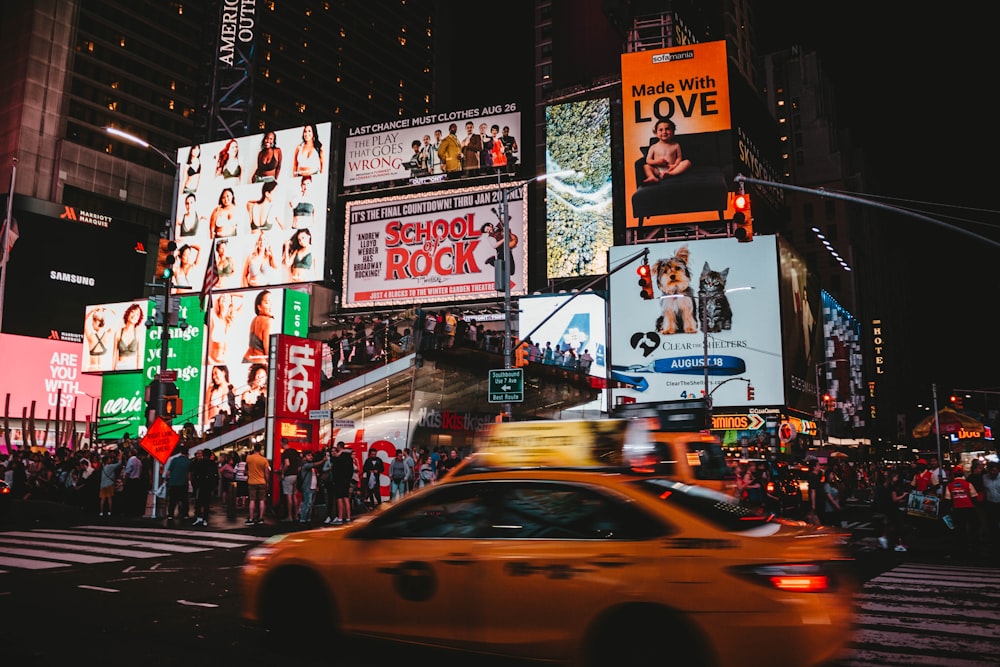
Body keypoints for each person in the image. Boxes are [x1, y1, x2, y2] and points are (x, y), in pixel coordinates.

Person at [642, 118, 692, 183]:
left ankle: (670, 174)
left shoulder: (676, 145)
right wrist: (656, 162)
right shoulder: (653, 147)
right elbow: (648, 160)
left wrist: (675, 165)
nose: (664, 132)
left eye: (667, 129)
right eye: (661, 130)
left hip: (671, 168)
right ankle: (652, 177)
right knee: (646, 166)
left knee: (687, 162)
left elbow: (679, 157)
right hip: (658, 169)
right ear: (656, 133)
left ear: (673, 132)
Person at [944, 465, 979, 555]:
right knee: (973, 528)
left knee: (960, 529)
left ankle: (962, 548)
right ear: (962, 473)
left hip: (957, 510)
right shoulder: (968, 484)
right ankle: (974, 547)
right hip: (969, 509)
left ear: (953, 475)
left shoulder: (950, 486)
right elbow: (974, 497)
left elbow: (947, 500)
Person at [207, 292, 241, 365]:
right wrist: (210, 361)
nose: (224, 298)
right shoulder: (213, 316)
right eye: (222, 296)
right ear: (218, 301)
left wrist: (232, 293)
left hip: (229, 361)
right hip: (212, 361)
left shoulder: (234, 317)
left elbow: (244, 296)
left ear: (231, 302)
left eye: (227, 296)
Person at [325, 442, 355, 524]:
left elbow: (335, 469)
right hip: (346, 480)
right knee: (346, 498)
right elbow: (351, 469)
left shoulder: (337, 457)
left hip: (339, 480)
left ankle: (340, 518)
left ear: (338, 447)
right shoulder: (348, 457)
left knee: (339, 498)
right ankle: (348, 517)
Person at [190, 448, 219, 526]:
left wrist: (195, 484)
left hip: (200, 484)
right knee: (206, 502)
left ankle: (198, 517)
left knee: (199, 501)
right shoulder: (212, 463)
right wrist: (214, 485)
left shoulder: (199, 462)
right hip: (208, 484)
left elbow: (195, 473)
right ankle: (205, 518)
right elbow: (215, 475)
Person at [243, 289, 273, 363]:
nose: (270, 306)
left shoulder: (254, 320)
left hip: (246, 359)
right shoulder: (267, 321)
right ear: (259, 307)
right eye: (267, 303)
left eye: (271, 303)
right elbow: (267, 349)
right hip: (259, 362)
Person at [163, 444, 191, 523]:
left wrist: (166, 479)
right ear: (187, 453)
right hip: (183, 483)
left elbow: (168, 471)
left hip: (173, 482)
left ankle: (170, 515)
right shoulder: (188, 461)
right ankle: (185, 514)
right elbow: (189, 474)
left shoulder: (174, 460)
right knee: (184, 500)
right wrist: (189, 482)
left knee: (172, 500)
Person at [112, 303, 143, 371]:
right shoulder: (118, 332)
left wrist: (138, 372)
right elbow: (115, 354)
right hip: (119, 366)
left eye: (137, 314)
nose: (134, 315)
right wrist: (112, 371)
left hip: (132, 367)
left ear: (139, 318)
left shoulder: (138, 333)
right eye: (132, 312)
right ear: (128, 314)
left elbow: (139, 356)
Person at [245, 442, 270, 525]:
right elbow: (266, 472)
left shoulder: (249, 458)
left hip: (252, 482)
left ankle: (251, 518)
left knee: (252, 500)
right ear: (260, 449)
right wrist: (267, 482)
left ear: (254, 448)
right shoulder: (264, 459)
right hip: (262, 481)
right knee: (262, 500)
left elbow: (247, 467)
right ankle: (261, 518)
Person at [205, 364, 234, 430]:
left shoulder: (231, 388)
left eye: (216, 373)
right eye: (213, 374)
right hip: (212, 422)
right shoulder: (211, 388)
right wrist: (206, 423)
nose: (214, 377)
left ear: (223, 372)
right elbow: (206, 406)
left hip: (226, 423)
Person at [83, 306, 112, 371]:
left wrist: (92, 310)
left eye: (92, 322)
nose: (92, 324)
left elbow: (83, 320)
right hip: (103, 369)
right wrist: (107, 309)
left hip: (92, 369)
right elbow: (116, 317)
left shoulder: (90, 336)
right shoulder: (107, 334)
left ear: (96, 322)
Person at [121, 446, 145, 517]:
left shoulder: (131, 460)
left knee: (129, 497)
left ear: (130, 453)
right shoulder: (139, 461)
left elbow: (128, 471)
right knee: (135, 497)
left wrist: (125, 480)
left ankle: (128, 511)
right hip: (137, 480)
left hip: (131, 480)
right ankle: (135, 511)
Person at [280, 443, 301, 521]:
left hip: (288, 476)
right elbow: (299, 465)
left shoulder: (286, 453)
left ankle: (290, 516)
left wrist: (282, 472)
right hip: (295, 475)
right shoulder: (294, 451)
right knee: (294, 496)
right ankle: (296, 515)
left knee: (289, 496)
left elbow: (287, 464)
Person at [98, 449, 122, 517]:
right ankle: (109, 512)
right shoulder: (110, 466)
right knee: (109, 498)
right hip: (109, 484)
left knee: (102, 499)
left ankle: (101, 512)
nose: (110, 460)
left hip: (102, 485)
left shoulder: (103, 468)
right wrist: (120, 456)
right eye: (109, 459)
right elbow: (119, 464)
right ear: (107, 461)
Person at [297, 450, 318, 524]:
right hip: (307, 487)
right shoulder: (306, 465)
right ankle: (303, 519)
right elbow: (315, 464)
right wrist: (323, 460)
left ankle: (307, 519)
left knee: (310, 504)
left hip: (313, 487)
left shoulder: (310, 466)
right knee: (307, 503)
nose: (311, 457)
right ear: (305, 457)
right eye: (309, 455)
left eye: (311, 455)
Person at [982, 461, 1000, 545]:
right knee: (992, 523)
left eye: (994, 470)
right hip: (990, 504)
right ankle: (994, 540)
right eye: (991, 471)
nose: (993, 472)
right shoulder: (984, 478)